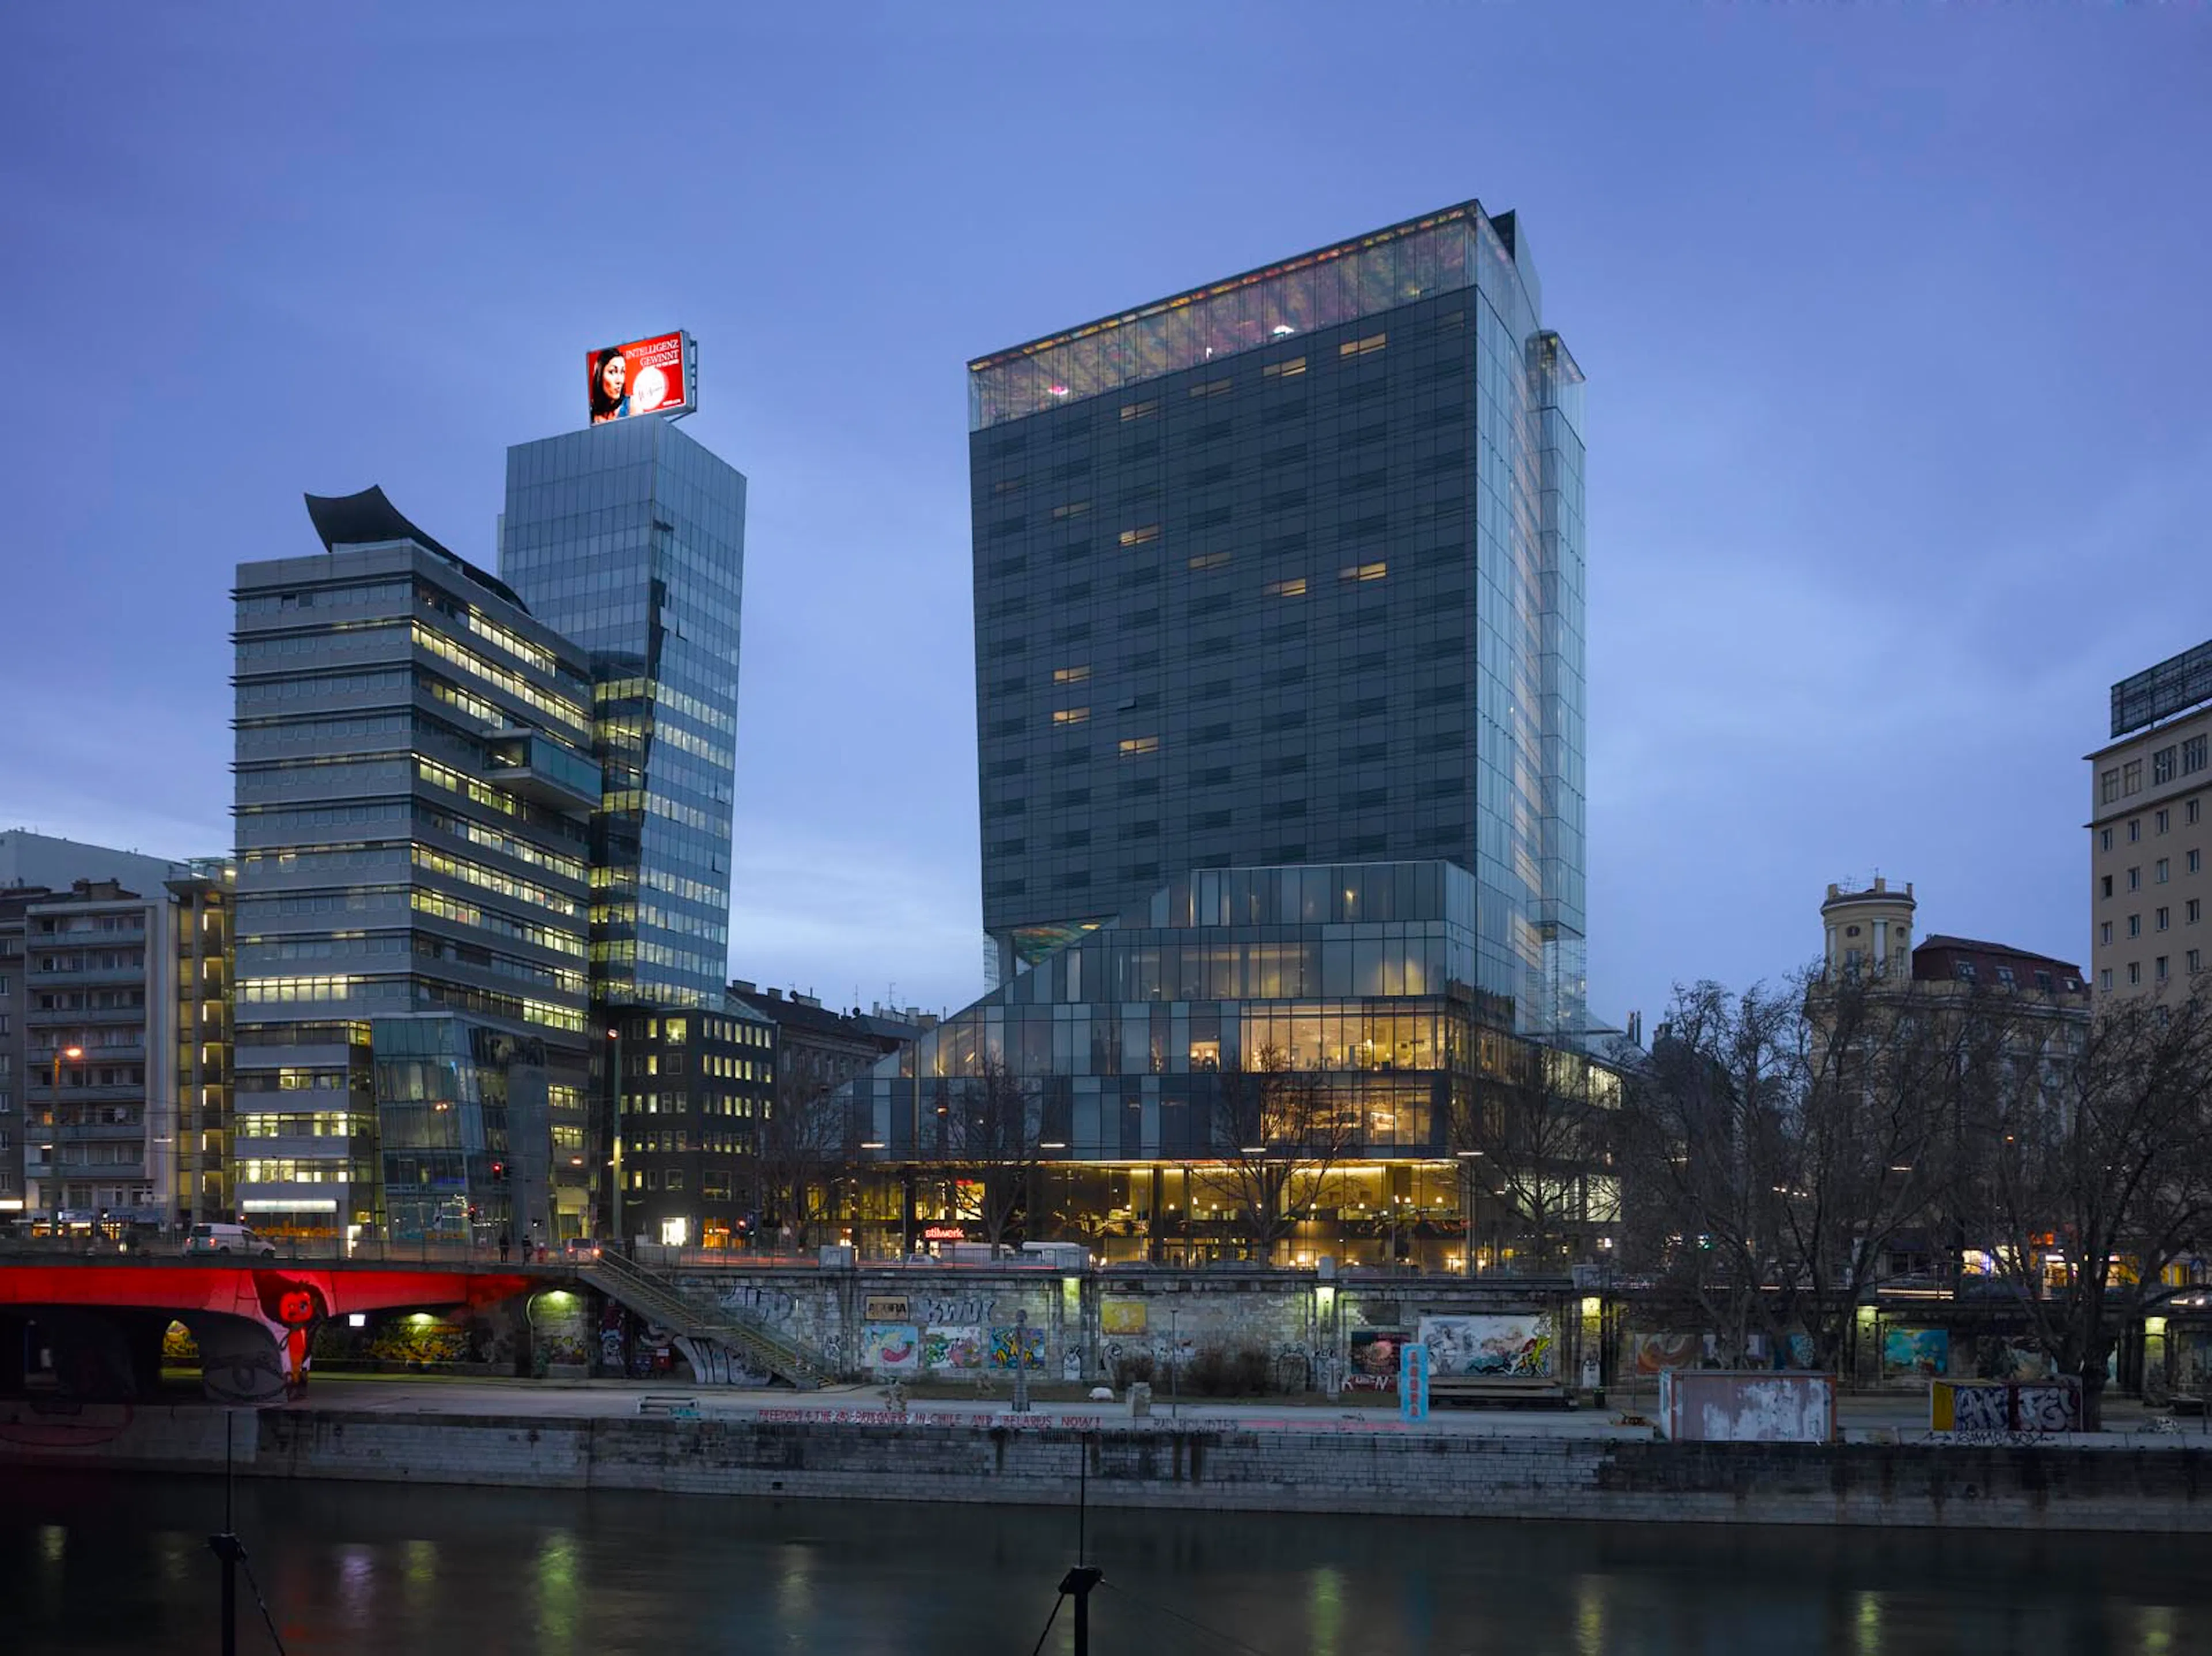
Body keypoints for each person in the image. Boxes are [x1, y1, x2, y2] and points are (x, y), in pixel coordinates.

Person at [589, 348, 631, 422]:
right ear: (599, 375)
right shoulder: (589, 412)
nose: (620, 381)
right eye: (612, 372)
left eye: (622, 372)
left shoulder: (632, 406)